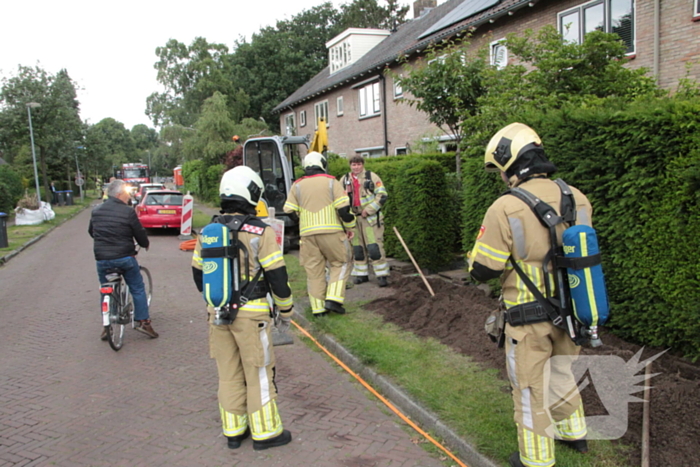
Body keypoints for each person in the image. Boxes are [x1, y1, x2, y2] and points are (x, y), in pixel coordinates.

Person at [468, 123, 591, 467]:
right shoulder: (577, 197)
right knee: (563, 372)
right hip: (573, 311)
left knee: (529, 387)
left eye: (501, 170)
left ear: (510, 163)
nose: (502, 178)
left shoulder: (505, 207)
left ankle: (535, 459)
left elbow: (484, 269)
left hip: (527, 316)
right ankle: (575, 433)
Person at [191, 166, 294, 451]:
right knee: (258, 372)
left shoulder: (208, 231)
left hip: (217, 314)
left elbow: (199, 275)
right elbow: (277, 276)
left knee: (228, 372)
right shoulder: (261, 231)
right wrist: (286, 310)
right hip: (253, 316)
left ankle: (234, 431)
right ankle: (266, 433)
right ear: (251, 192)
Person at [283, 151, 356, 316]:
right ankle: (334, 299)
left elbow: (288, 210)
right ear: (322, 164)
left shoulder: (297, 185)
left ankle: (318, 309)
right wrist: (350, 226)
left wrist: (301, 223)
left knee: (314, 271)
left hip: (307, 235)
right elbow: (344, 209)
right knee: (341, 262)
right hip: (332, 232)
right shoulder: (332, 182)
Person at [89, 179, 158, 339]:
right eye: (127, 194)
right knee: (137, 287)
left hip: (102, 259)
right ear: (120, 194)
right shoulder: (127, 212)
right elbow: (138, 232)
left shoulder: (97, 210)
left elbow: (92, 231)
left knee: (105, 288)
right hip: (124, 257)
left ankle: (107, 324)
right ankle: (143, 322)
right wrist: (144, 243)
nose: (129, 197)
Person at [341, 155, 390, 287]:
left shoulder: (372, 177)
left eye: (358, 164)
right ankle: (361, 275)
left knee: (374, 248)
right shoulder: (345, 179)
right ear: (350, 166)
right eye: (353, 165)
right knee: (357, 249)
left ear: (362, 165)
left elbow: (382, 195)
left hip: (370, 219)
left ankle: (382, 275)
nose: (356, 167)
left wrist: (368, 210)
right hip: (354, 220)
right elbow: (339, 199)